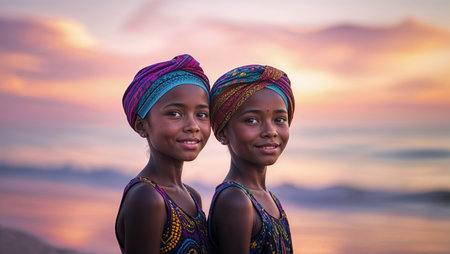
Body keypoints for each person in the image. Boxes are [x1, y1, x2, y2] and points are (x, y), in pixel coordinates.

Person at [115, 54, 212, 254]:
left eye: (201, 114)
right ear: (142, 126)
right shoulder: (147, 198)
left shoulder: (192, 196)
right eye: (175, 113)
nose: (193, 126)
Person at [207, 65, 295, 254]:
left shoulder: (269, 199)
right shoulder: (236, 201)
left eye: (279, 119)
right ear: (222, 132)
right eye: (252, 120)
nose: (270, 131)